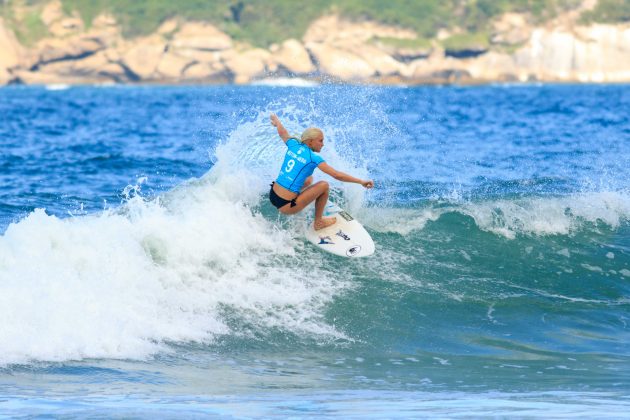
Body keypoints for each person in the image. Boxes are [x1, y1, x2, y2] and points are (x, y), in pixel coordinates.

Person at [269, 113, 374, 230]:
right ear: (310, 142)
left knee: (309, 179)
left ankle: (297, 197)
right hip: (286, 205)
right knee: (324, 185)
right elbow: (336, 175)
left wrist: (277, 122)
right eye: (320, 141)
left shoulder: (293, 144)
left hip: (273, 195)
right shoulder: (313, 158)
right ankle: (318, 222)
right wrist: (361, 181)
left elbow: (283, 133)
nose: (323, 144)